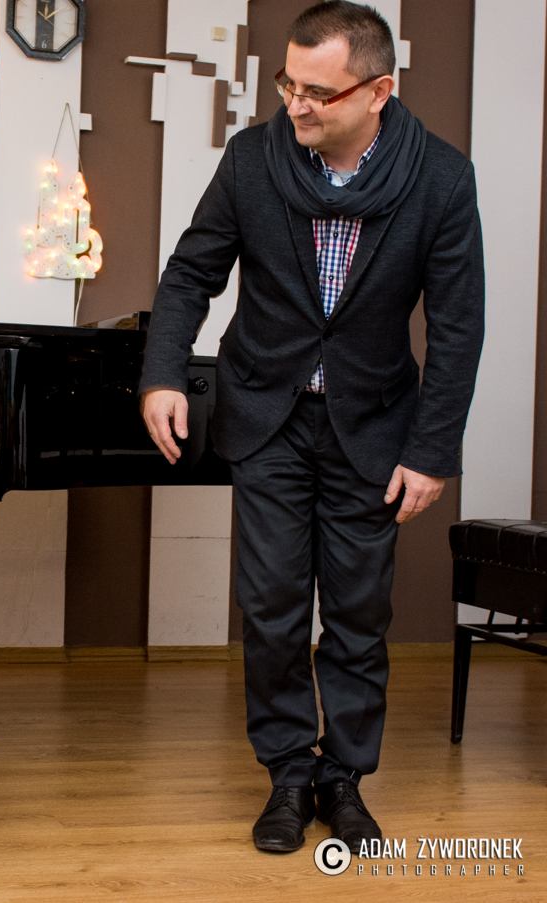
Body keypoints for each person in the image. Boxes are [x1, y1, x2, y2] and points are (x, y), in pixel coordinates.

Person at [139, 2, 483, 854]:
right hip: (268, 416)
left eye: (317, 93)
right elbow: (189, 275)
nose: (295, 104)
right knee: (273, 607)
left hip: (374, 426)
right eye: (287, 84)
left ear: (379, 92)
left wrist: (432, 450)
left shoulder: (441, 178)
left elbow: (458, 327)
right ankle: (289, 773)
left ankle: (345, 777)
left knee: (359, 613)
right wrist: (162, 373)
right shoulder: (253, 159)